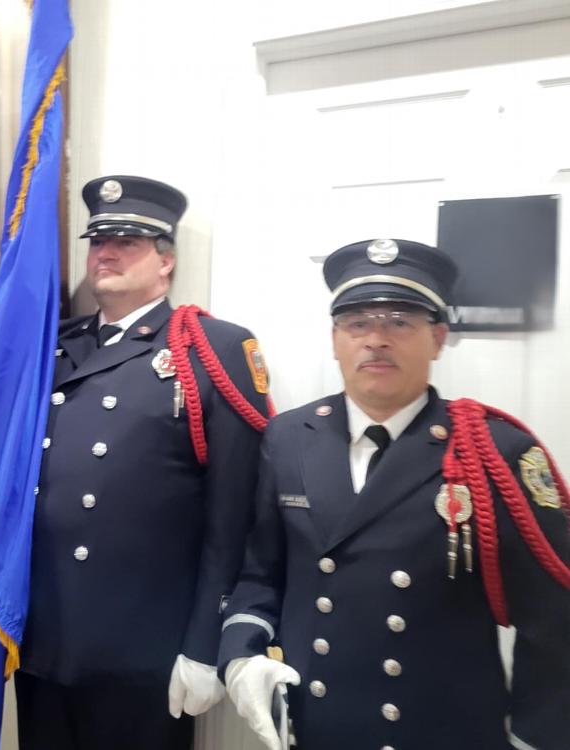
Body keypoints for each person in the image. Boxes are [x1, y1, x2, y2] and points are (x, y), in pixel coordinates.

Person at [219, 238, 570, 750]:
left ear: (439, 337)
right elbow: (260, 573)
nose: (376, 338)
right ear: (336, 338)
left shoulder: (492, 450)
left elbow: (554, 616)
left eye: (400, 321)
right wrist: (241, 654)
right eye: (357, 322)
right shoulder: (290, 437)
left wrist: (535, 737)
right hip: (319, 727)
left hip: (443, 731)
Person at [16, 175, 273, 750]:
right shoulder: (55, 346)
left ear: (166, 260)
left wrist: (206, 643)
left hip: (145, 645)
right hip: (46, 634)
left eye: (127, 240)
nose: (106, 252)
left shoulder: (211, 348)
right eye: (98, 240)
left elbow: (233, 514)